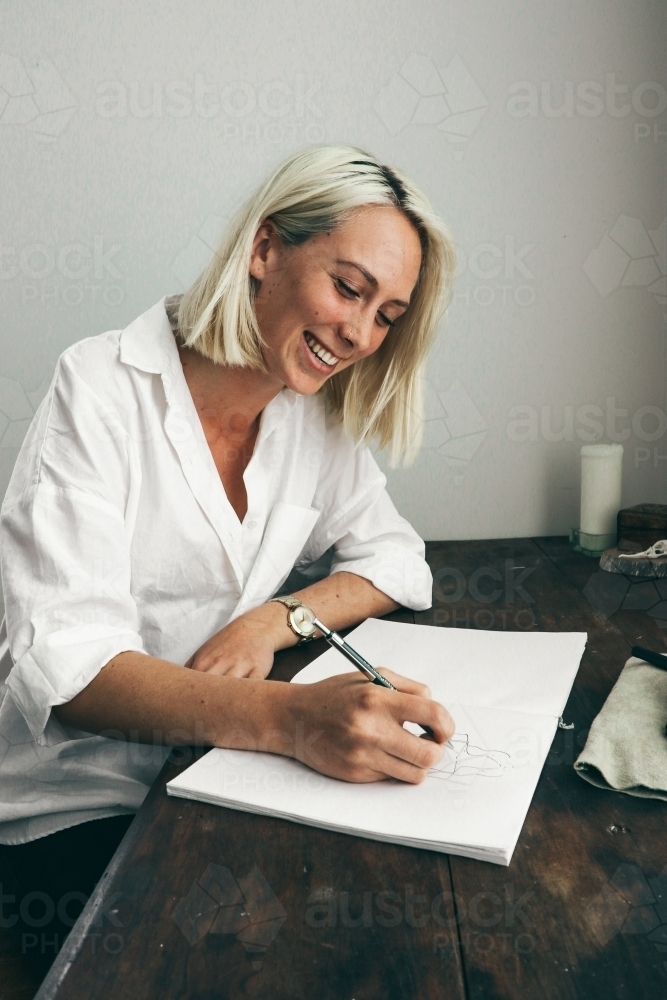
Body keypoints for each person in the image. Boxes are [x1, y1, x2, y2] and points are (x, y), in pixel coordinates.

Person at [0, 144, 456, 975]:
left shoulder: (312, 419)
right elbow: (71, 678)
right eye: (348, 288)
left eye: (386, 314)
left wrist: (274, 620)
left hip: (213, 770)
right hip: (74, 807)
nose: (358, 333)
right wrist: (295, 721)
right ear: (265, 250)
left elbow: (396, 560)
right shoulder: (100, 387)